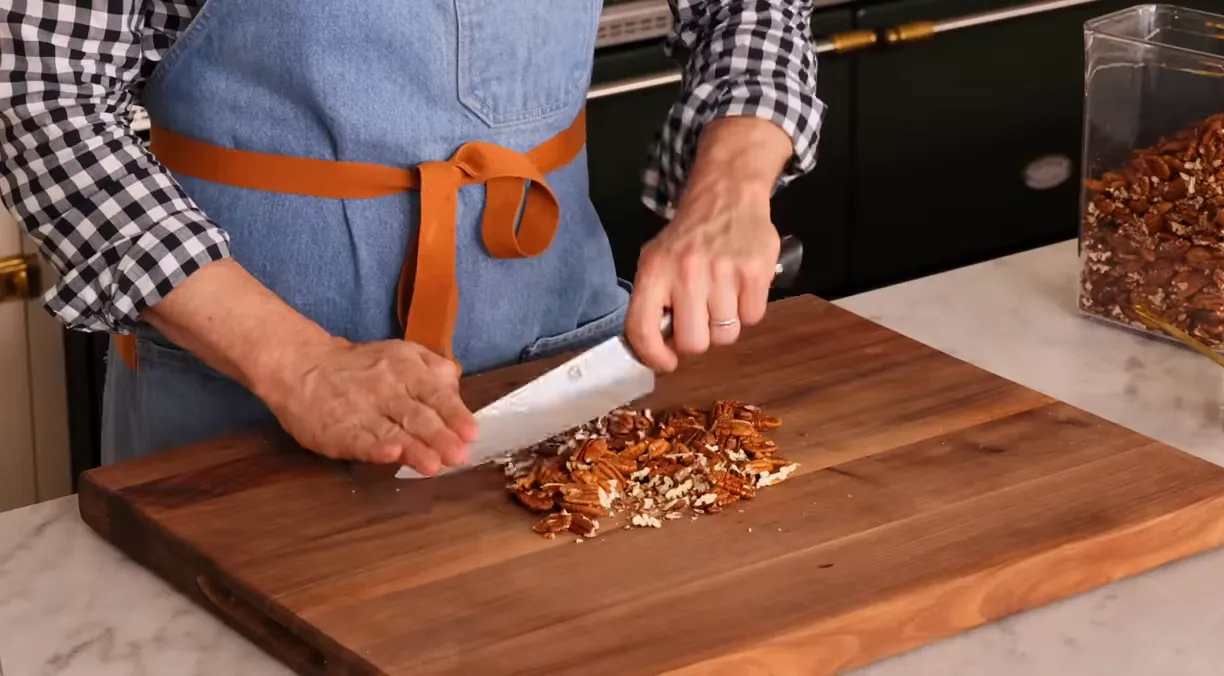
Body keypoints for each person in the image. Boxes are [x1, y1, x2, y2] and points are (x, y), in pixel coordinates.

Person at [0, 0, 824, 476]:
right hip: (238, 392)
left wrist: (731, 184)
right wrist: (298, 363)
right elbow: (38, 96)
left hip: (561, 352)